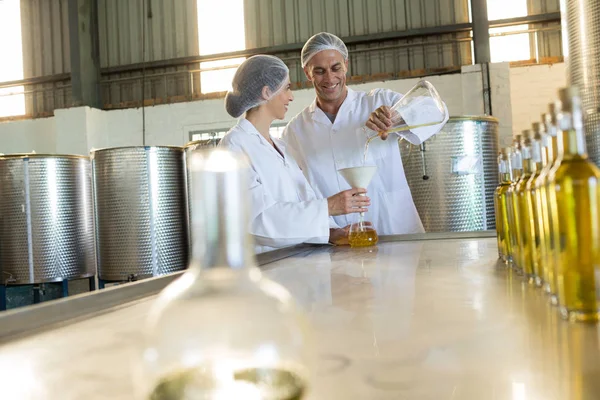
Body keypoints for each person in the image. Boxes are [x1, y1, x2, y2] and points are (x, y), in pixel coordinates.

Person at [282, 32, 449, 235]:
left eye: (336, 68)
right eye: (319, 71)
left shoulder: (378, 101)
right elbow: (297, 190)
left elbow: (438, 111)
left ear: (346, 64)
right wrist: (330, 231)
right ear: (307, 73)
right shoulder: (296, 130)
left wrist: (397, 116)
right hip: (340, 238)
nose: (329, 78)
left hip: (395, 230)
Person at [219, 55, 371, 253]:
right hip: (265, 264)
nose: (291, 96)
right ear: (267, 92)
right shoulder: (234, 146)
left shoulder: (281, 147)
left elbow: (304, 199)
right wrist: (328, 206)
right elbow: (257, 221)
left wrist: (332, 232)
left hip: (296, 260)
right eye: (287, 88)